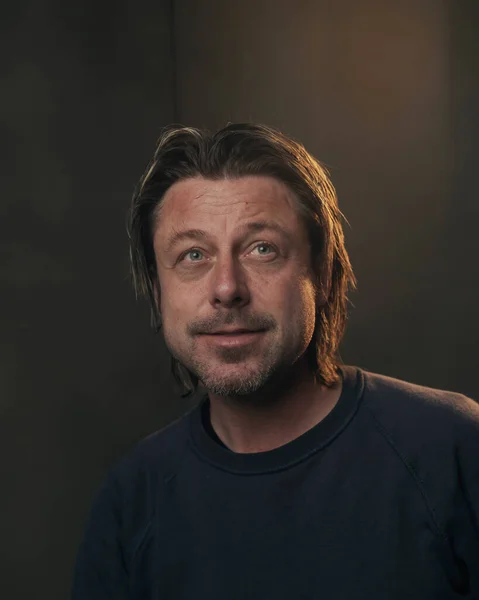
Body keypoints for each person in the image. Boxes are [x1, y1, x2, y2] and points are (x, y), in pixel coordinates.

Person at [72, 123, 479, 599]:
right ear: (159, 291)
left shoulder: (453, 449)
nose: (226, 289)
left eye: (262, 249)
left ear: (322, 275)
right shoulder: (130, 503)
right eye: (193, 255)